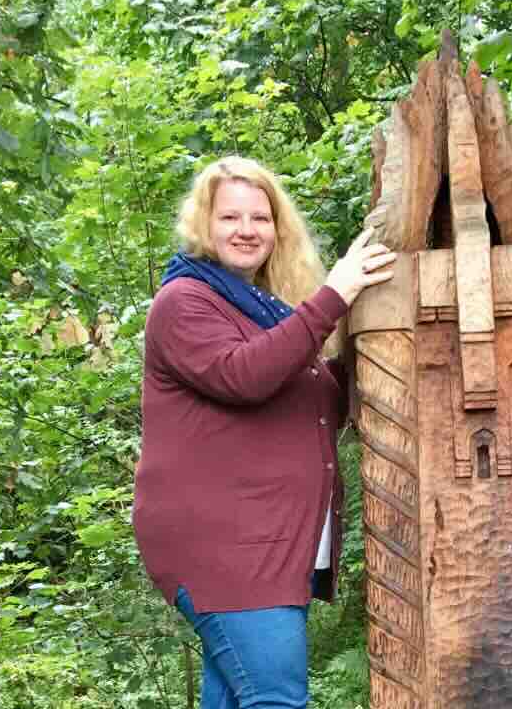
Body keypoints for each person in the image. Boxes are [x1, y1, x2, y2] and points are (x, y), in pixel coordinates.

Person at [132, 156, 395, 709]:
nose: (247, 230)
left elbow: (318, 399)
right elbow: (245, 375)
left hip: (266, 543)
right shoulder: (184, 303)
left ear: (277, 229)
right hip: (230, 551)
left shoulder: (259, 311)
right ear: (203, 225)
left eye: (260, 218)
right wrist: (335, 295)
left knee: (237, 697)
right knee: (275, 699)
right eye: (230, 217)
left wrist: (373, 337)